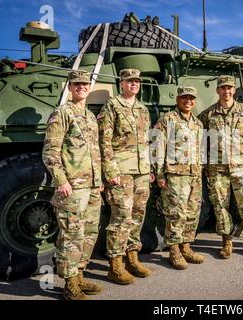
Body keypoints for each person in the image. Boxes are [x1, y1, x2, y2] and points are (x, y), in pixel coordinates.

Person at [42, 70, 102, 300]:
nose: (81, 87)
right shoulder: (62, 113)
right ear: (70, 87)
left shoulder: (89, 116)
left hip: (93, 186)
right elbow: (50, 151)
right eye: (76, 83)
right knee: (71, 236)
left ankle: (79, 275)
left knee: (89, 234)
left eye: (85, 84)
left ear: (89, 87)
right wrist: (61, 180)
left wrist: (99, 182)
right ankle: (69, 285)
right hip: (73, 187)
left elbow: (94, 152)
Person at [198, 75, 243, 259]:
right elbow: (200, 140)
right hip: (217, 169)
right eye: (222, 88)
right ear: (217, 90)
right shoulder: (208, 115)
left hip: (241, 168)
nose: (226, 91)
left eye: (229, 88)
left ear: (234, 90)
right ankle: (226, 243)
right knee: (221, 206)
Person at [98, 68, 154, 284]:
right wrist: (110, 171)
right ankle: (115, 265)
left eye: (137, 81)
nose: (134, 84)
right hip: (121, 171)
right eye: (130, 81)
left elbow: (146, 141)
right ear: (121, 83)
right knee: (121, 217)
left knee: (138, 215)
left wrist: (148, 168)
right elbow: (105, 140)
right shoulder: (113, 105)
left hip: (141, 170)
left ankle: (132, 257)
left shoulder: (142, 108)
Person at [154, 86, 204, 270]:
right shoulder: (167, 120)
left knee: (192, 212)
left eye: (191, 98)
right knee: (176, 213)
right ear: (178, 100)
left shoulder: (198, 123)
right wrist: (160, 174)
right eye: (184, 98)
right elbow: (157, 148)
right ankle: (174, 251)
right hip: (175, 175)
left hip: (194, 174)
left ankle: (186, 247)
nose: (188, 101)